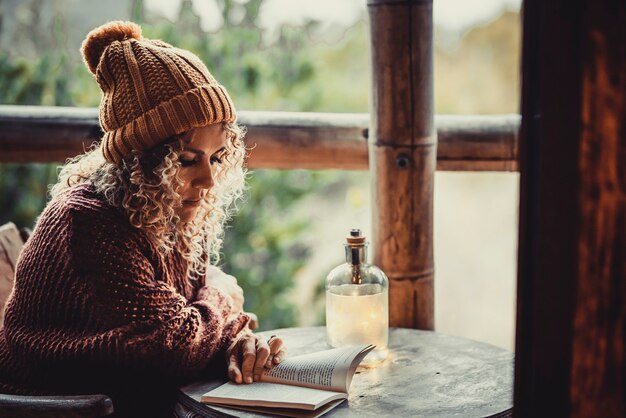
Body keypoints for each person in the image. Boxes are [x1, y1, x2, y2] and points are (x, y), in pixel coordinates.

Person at [0, 21, 285, 417]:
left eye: (217, 157)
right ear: (140, 164)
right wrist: (224, 294)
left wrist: (240, 339)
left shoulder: (171, 209)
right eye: (186, 161)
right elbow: (170, 344)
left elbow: (193, 319)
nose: (207, 179)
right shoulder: (86, 222)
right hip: (54, 408)